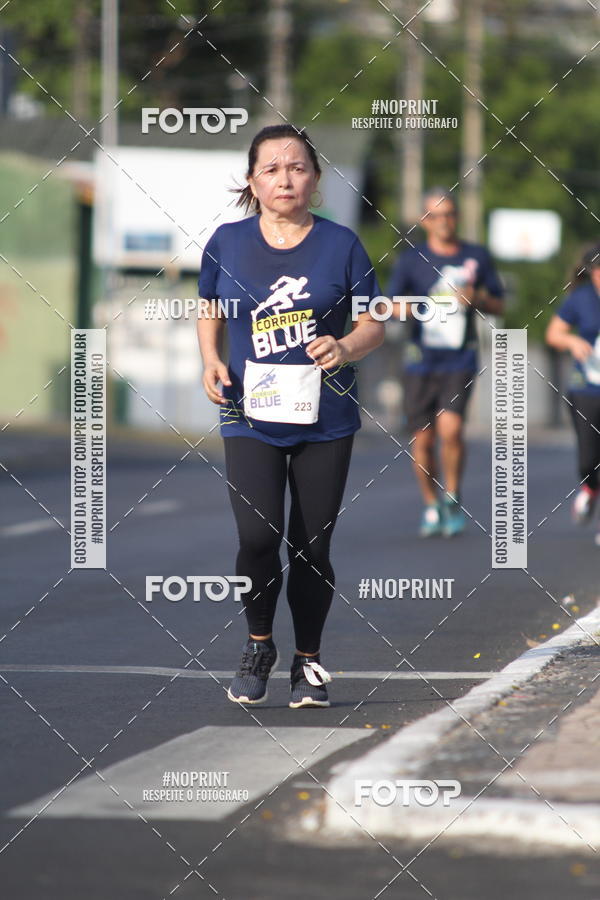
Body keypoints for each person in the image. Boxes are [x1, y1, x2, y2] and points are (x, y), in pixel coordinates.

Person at [197, 124, 384, 707]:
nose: (285, 178)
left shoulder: (343, 245)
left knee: (311, 545)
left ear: (316, 179)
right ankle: (258, 646)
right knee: (257, 537)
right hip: (248, 411)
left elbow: (374, 320)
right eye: (272, 169)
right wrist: (209, 360)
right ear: (252, 180)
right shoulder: (226, 242)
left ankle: (308, 661)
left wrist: (346, 347)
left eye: (298, 167)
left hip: (325, 416)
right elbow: (210, 307)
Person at [387, 187, 504, 537]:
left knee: (451, 430)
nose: (444, 222)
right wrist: (409, 307)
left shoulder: (476, 256)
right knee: (422, 440)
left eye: (450, 214)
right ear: (425, 221)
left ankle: (452, 495)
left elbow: (499, 303)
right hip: (420, 360)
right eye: (436, 216)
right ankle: (430, 503)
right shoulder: (410, 260)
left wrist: (477, 297)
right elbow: (389, 305)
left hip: (460, 358)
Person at [546, 243, 600, 539]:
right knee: (588, 459)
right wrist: (572, 342)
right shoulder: (580, 299)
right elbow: (554, 333)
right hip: (587, 388)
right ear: (592, 272)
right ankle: (590, 486)